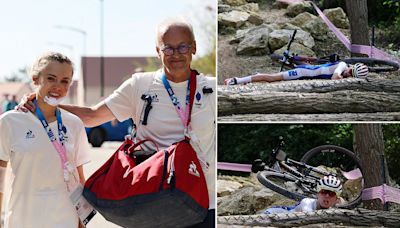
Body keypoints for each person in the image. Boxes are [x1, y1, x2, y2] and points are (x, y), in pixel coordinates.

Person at [19, 18, 216, 227]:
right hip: (152, 202)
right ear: (158, 51)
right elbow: (92, 116)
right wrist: (43, 105)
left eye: (183, 46)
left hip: (202, 202)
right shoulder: (140, 85)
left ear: (193, 47)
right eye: (168, 48)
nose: (176, 54)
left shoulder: (211, 90)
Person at [0, 52, 91, 228]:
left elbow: (79, 179)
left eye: (65, 81)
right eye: (51, 78)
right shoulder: (10, 122)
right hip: (23, 220)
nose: (58, 86)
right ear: (35, 80)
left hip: (65, 221)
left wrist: (82, 222)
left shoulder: (74, 124)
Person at [224, 61, 369, 85]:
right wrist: (344, 78)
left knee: (270, 77)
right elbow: (334, 77)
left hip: (307, 73)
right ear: (350, 67)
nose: (348, 75)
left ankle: (255, 75)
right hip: (302, 72)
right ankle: (236, 80)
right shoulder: (342, 65)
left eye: (351, 76)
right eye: (350, 72)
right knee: (271, 78)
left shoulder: (345, 71)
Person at [264, 175, 342, 214]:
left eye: (331, 194)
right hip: (273, 212)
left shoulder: (333, 209)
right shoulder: (307, 202)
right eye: (324, 192)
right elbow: (309, 216)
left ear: (336, 199)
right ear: (317, 194)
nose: (327, 196)